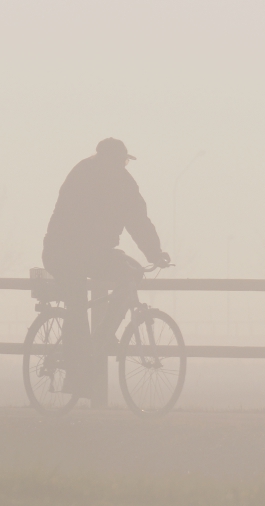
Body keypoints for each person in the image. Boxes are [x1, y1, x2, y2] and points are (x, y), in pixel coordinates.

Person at [42, 138, 170, 396]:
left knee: (127, 276)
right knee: (77, 304)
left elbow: (137, 220)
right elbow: (76, 219)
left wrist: (153, 252)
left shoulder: (108, 178)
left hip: (81, 252)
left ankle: (101, 338)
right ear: (111, 160)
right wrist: (153, 253)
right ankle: (77, 372)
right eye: (122, 161)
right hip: (67, 252)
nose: (123, 166)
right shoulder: (96, 179)